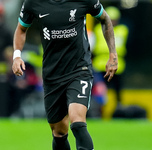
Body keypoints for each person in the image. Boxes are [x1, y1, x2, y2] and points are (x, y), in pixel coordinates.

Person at [12, 0, 118, 150]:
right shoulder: (33, 3)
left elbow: (105, 19)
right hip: (52, 74)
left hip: (79, 69)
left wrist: (113, 54)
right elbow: (21, 29)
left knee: (77, 121)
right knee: (59, 132)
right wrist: (17, 56)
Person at [92, 6, 128, 108]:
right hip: (100, 65)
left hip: (118, 65)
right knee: (100, 90)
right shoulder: (98, 29)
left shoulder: (122, 30)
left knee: (118, 90)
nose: (112, 22)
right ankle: (98, 111)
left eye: (114, 19)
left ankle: (119, 110)